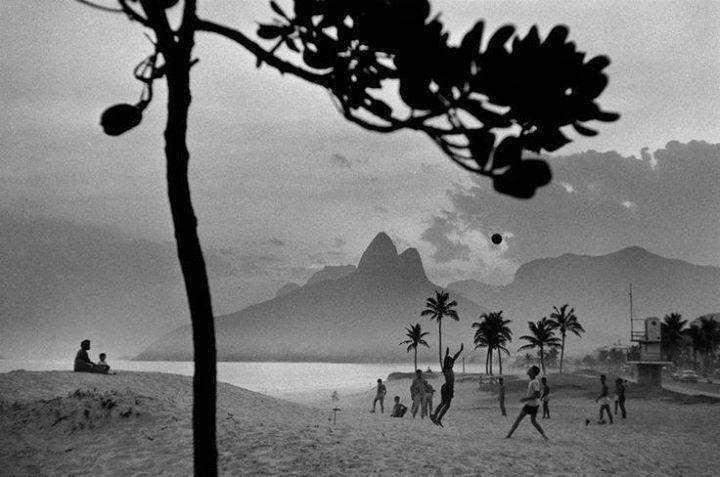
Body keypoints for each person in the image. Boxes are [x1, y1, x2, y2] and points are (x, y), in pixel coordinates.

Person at [505, 365, 548, 440]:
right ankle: (544, 435)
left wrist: (526, 399)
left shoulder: (534, 382)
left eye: (530, 369)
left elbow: (537, 394)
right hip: (535, 405)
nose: (529, 369)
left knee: (519, 418)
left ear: (533, 373)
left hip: (530, 405)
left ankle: (509, 435)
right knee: (533, 421)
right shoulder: (534, 381)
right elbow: (536, 394)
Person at [430, 343, 463, 426]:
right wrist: (446, 354)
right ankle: (435, 416)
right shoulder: (446, 369)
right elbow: (447, 360)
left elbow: (455, 357)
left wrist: (460, 350)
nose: (453, 364)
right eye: (452, 363)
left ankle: (437, 418)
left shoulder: (450, 368)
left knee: (446, 405)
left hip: (449, 387)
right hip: (447, 387)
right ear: (449, 363)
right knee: (445, 404)